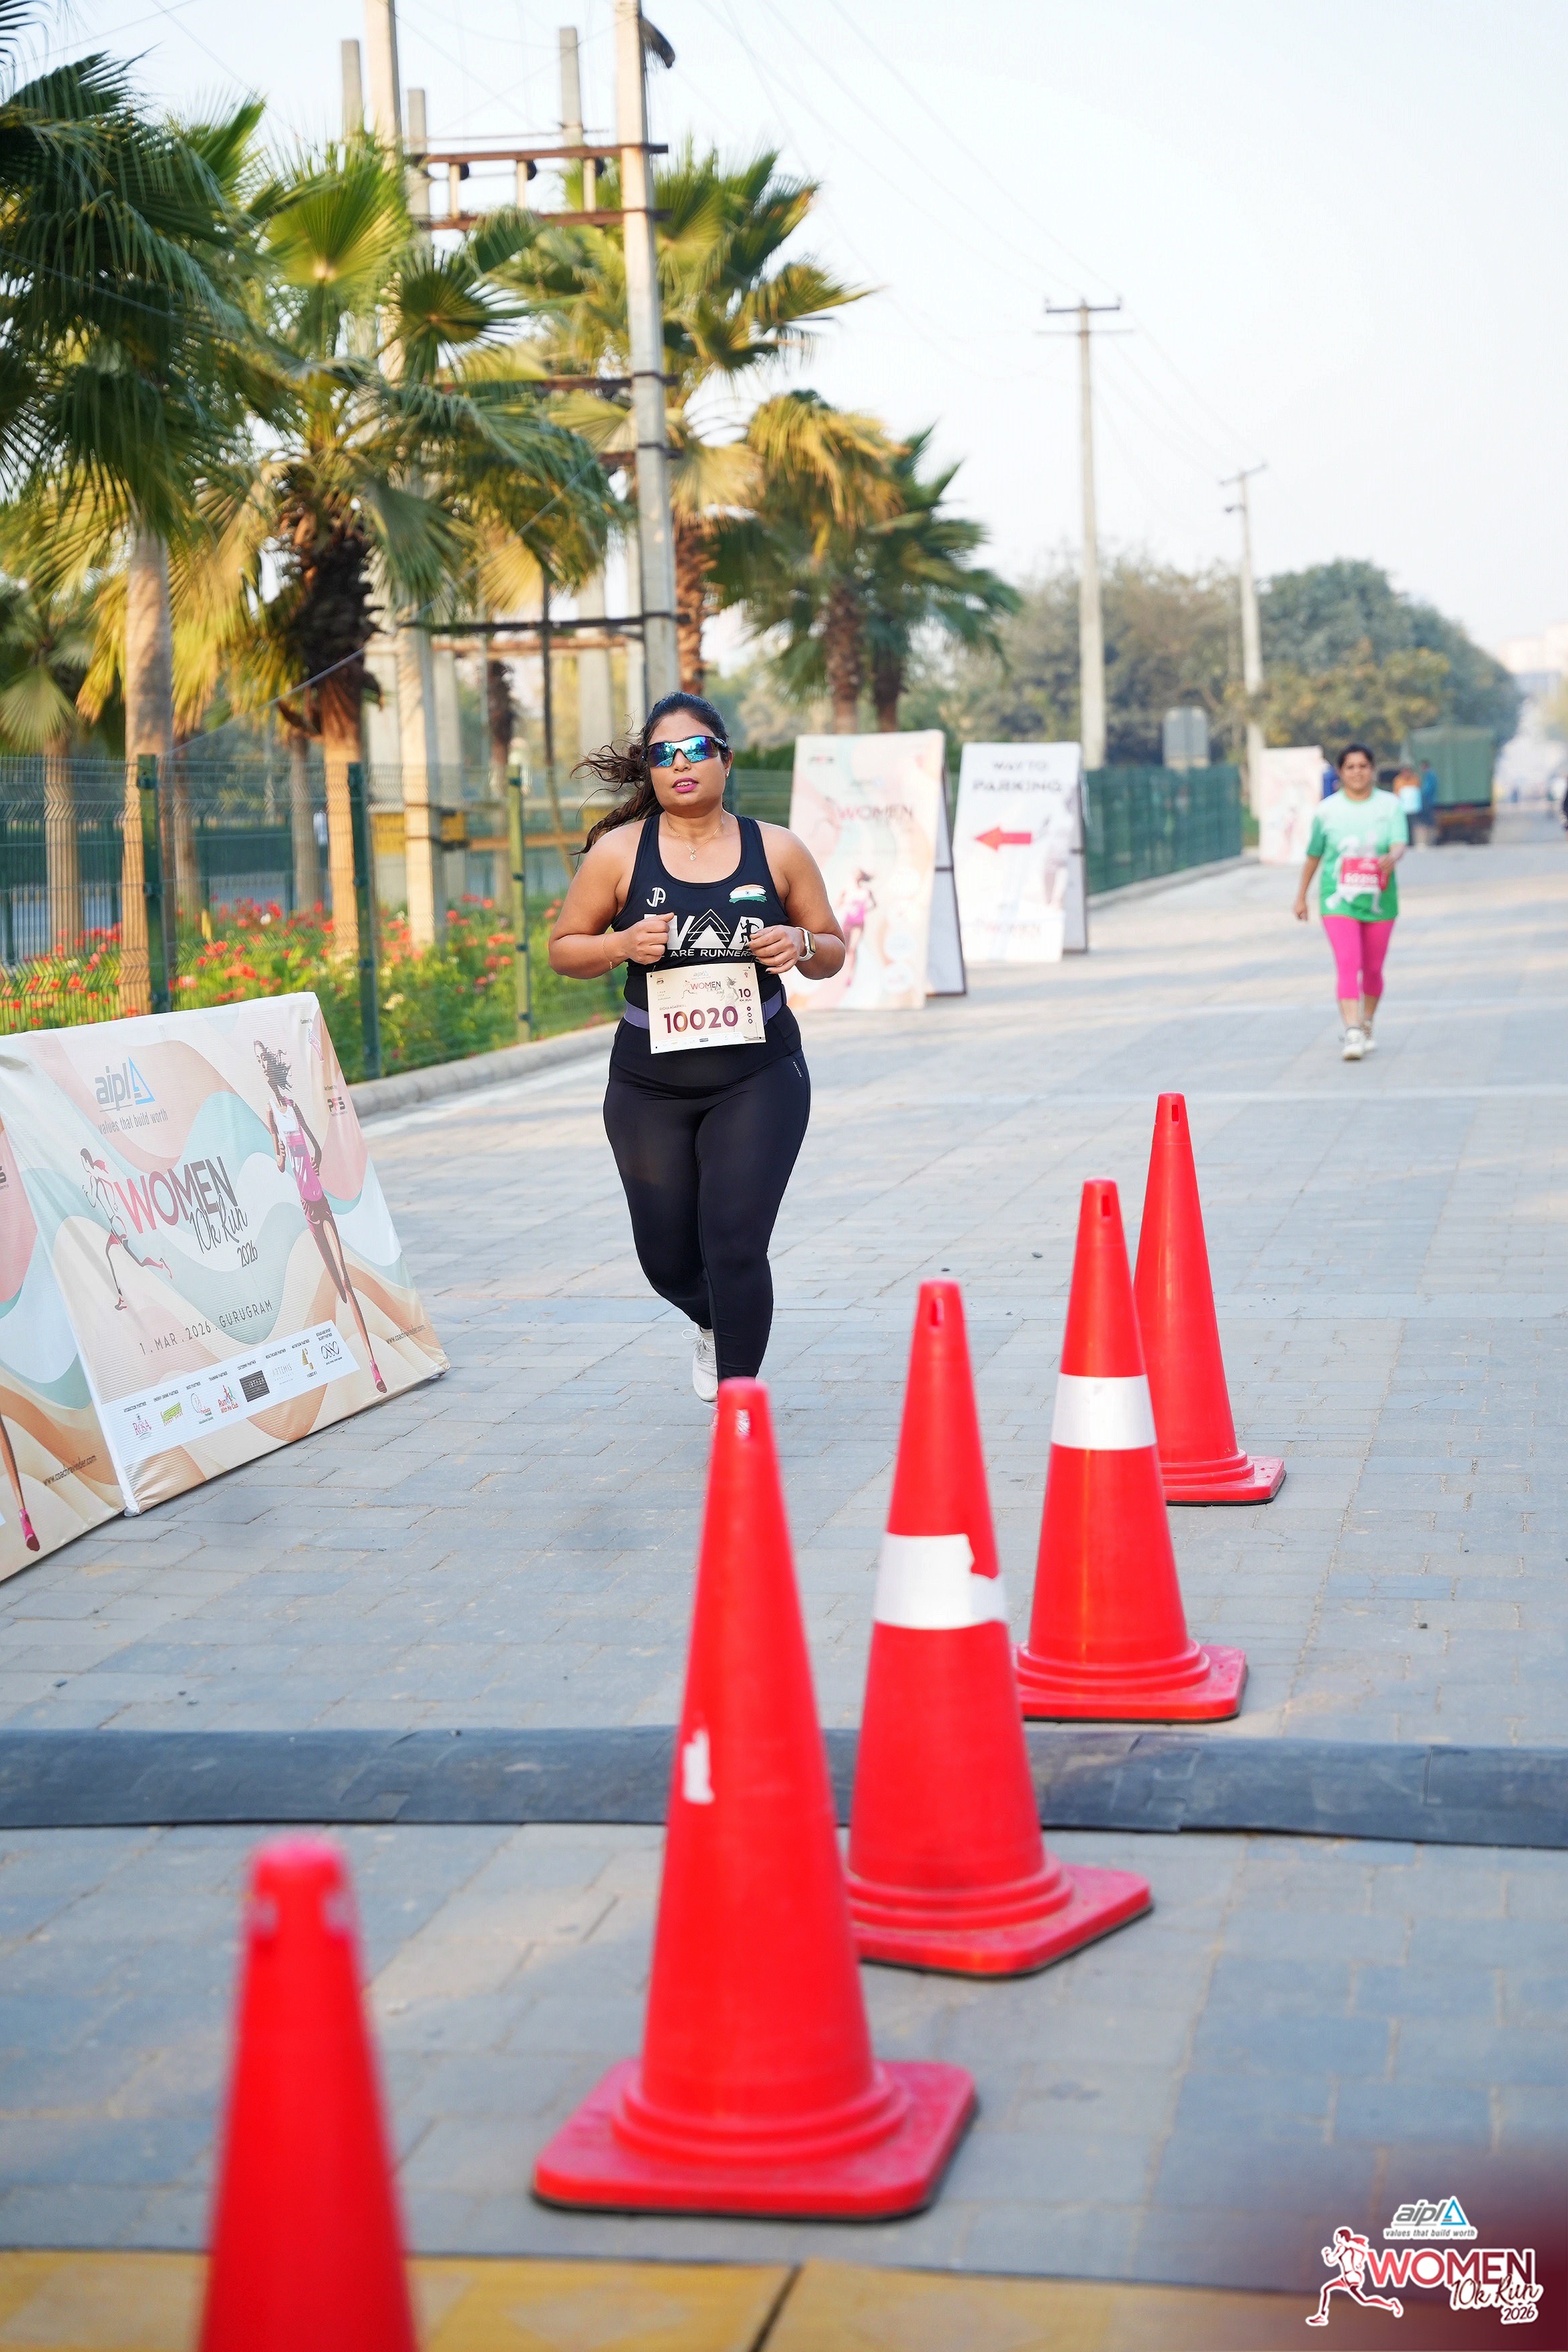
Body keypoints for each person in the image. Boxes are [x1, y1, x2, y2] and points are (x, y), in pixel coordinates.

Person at [549, 692, 846, 1402]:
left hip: (758, 1073)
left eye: (695, 750)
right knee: (667, 1258)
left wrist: (801, 943)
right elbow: (564, 949)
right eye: (663, 755)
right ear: (650, 770)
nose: (680, 764)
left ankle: (739, 1408)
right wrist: (619, 944)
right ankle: (715, 1323)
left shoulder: (777, 849)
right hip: (648, 1084)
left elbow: (832, 948)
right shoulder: (619, 854)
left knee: (735, 1245)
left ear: (725, 760)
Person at [254, 1041, 386, 1394]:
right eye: (261, 1065)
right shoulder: (271, 1111)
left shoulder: (292, 1107)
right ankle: (335, 1364)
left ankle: (373, 1365)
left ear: (274, 1069)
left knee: (345, 1280)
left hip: (321, 1203)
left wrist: (312, 1156)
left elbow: (317, 1148)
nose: (265, 1070)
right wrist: (280, 1154)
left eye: (267, 1063)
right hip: (306, 1209)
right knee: (336, 1288)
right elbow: (278, 1160)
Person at [1293, 742, 1408, 1062]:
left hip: (1379, 901)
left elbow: (1399, 843)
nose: (1357, 773)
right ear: (1340, 773)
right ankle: (1352, 1029)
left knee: (1372, 968)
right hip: (1338, 901)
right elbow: (1314, 855)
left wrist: (1393, 857)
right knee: (1348, 962)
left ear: (1373, 770)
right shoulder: (1327, 811)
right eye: (1350, 767)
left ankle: (1367, 1022)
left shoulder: (1390, 806)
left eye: (1363, 766)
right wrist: (1301, 896)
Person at [1393, 763, 1423, 846]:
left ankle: (1412, 842)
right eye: (1405, 772)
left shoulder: (1415, 779)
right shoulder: (1398, 780)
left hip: (1413, 808)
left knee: (1412, 825)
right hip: (1403, 808)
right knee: (1404, 826)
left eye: (1408, 772)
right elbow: (1396, 793)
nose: (1406, 774)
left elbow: (1417, 792)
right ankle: (1405, 842)